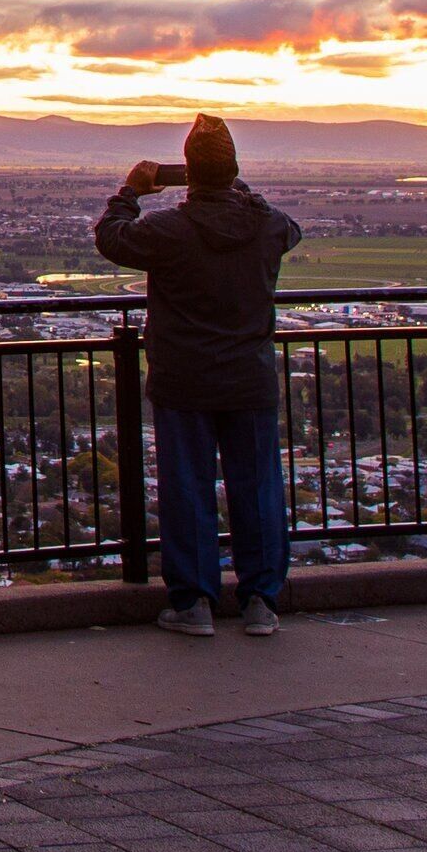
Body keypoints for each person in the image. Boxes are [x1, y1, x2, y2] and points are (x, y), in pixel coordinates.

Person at [95, 114, 302, 638]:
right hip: (249, 379)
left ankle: (194, 603)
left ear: (187, 172)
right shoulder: (268, 225)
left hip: (183, 379)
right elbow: (288, 230)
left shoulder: (170, 230)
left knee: (187, 489)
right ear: (233, 170)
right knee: (257, 491)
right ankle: (260, 600)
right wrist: (239, 191)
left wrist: (129, 191)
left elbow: (112, 239)